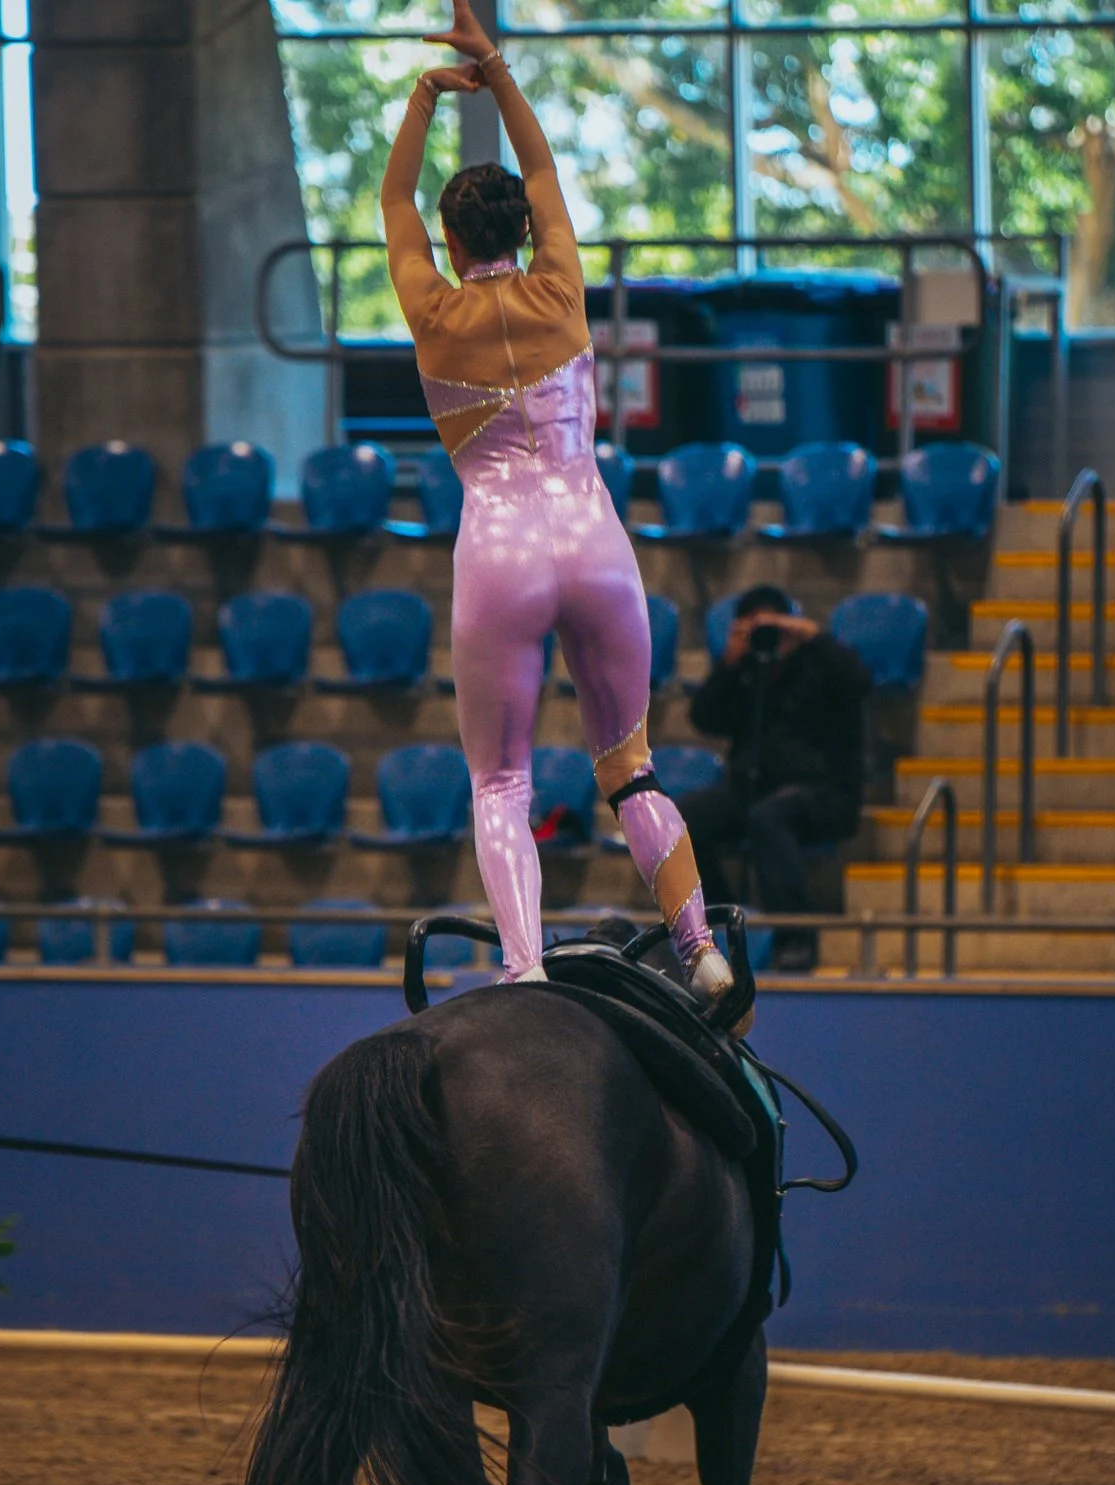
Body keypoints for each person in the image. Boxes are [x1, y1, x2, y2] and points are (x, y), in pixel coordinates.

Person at [382, 0, 732, 1008]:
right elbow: (544, 176)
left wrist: (421, 97)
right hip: (593, 540)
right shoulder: (561, 287)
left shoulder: (432, 309)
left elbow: (392, 200)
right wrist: (497, 70)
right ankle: (698, 942)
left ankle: (524, 969)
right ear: (527, 231)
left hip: (497, 551)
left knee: (501, 781)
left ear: (451, 240)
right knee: (630, 770)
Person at [681, 585, 873, 971]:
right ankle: (719, 920)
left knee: (768, 818)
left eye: (777, 625)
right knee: (680, 822)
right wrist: (728, 665)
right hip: (752, 789)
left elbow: (858, 681)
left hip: (822, 792)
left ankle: (795, 938)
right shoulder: (748, 672)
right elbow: (704, 717)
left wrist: (808, 634)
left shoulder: (819, 664)